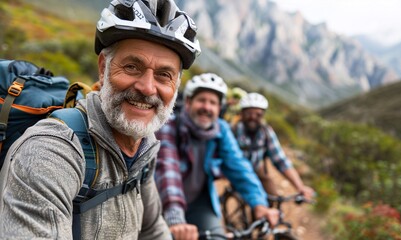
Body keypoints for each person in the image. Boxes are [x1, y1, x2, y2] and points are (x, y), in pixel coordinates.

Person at [0, 0, 200, 239]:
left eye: (164, 75)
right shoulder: (50, 152)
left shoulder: (144, 145)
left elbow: (153, 229)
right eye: (132, 66)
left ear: (175, 87)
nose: (147, 88)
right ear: (103, 69)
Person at [155, 73, 279, 240]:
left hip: (199, 202)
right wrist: (175, 218)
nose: (207, 107)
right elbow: (167, 168)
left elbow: (239, 166)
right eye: (201, 100)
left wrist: (259, 204)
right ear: (189, 102)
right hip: (162, 204)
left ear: (219, 108)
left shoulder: (221, 129)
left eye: (213, 102)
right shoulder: (169, 124)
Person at [232, 92, 315, 200]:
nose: (253, 117)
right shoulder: (233, 131)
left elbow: (280, 160)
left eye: (258, 114)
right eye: (249, 113)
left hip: (256, 168)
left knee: (273, 198)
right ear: (242, 114)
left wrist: (300, 187)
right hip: (236, 171)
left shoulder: (266, 132)